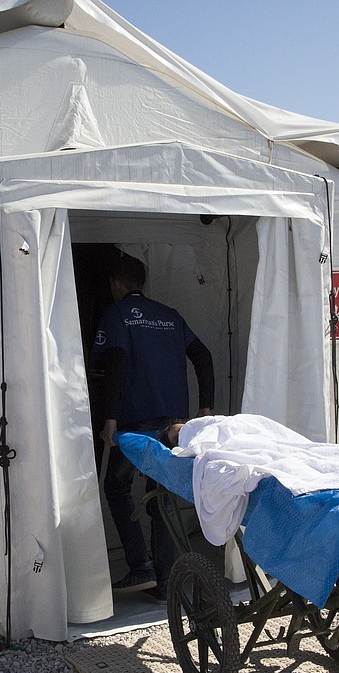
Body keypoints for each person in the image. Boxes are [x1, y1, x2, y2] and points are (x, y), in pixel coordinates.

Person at [92, 253, 214, 600]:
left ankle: (140, 566)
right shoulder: (170, 316)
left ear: (116, 283)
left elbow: (117, 361)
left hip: (135, 422)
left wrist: (110, 417)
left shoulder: (116, 315)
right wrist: (205, 407)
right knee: (163, 497)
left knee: (116, 486)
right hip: (176, 423)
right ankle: (165, 582)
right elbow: (203, 356)